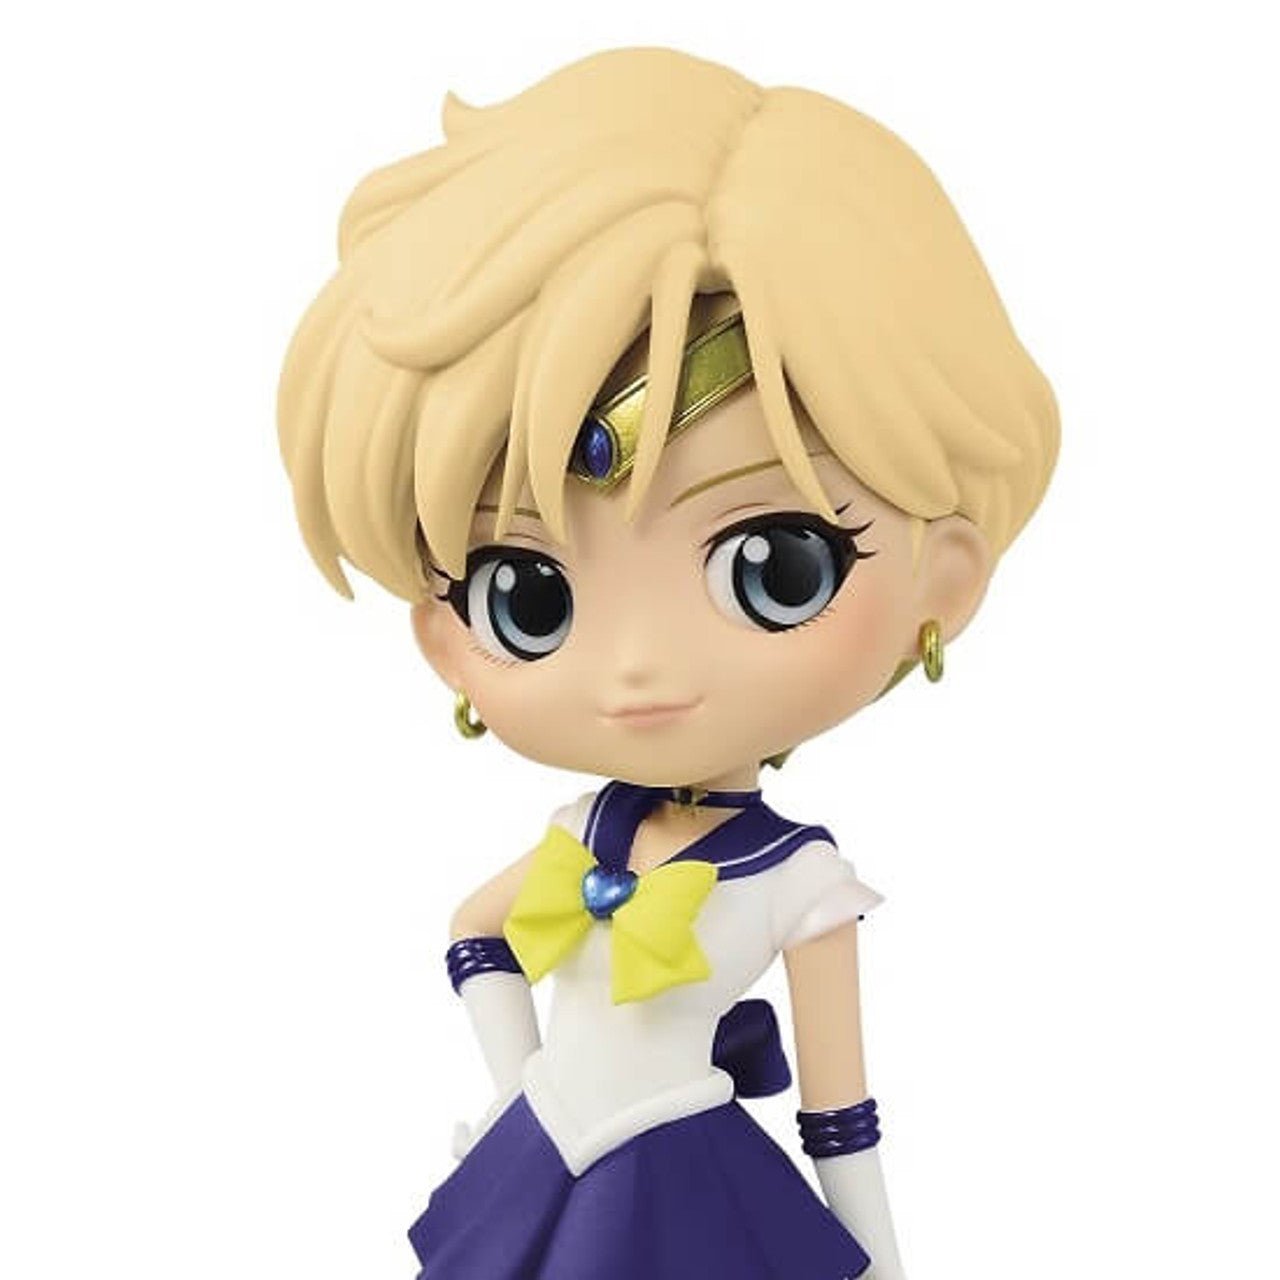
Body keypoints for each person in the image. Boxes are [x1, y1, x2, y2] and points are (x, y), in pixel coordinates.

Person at [277, 46, 1058, 1279]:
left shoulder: (800, 880)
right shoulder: (576, 835)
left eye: (772, 565)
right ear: (445, 637)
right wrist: (515, 1086)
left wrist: (877, 1258)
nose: (638, 667)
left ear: (941, 584)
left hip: (680, 1175)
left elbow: (838, 1107)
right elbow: (473, 933)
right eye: (527, 592)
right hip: (543, 1152)